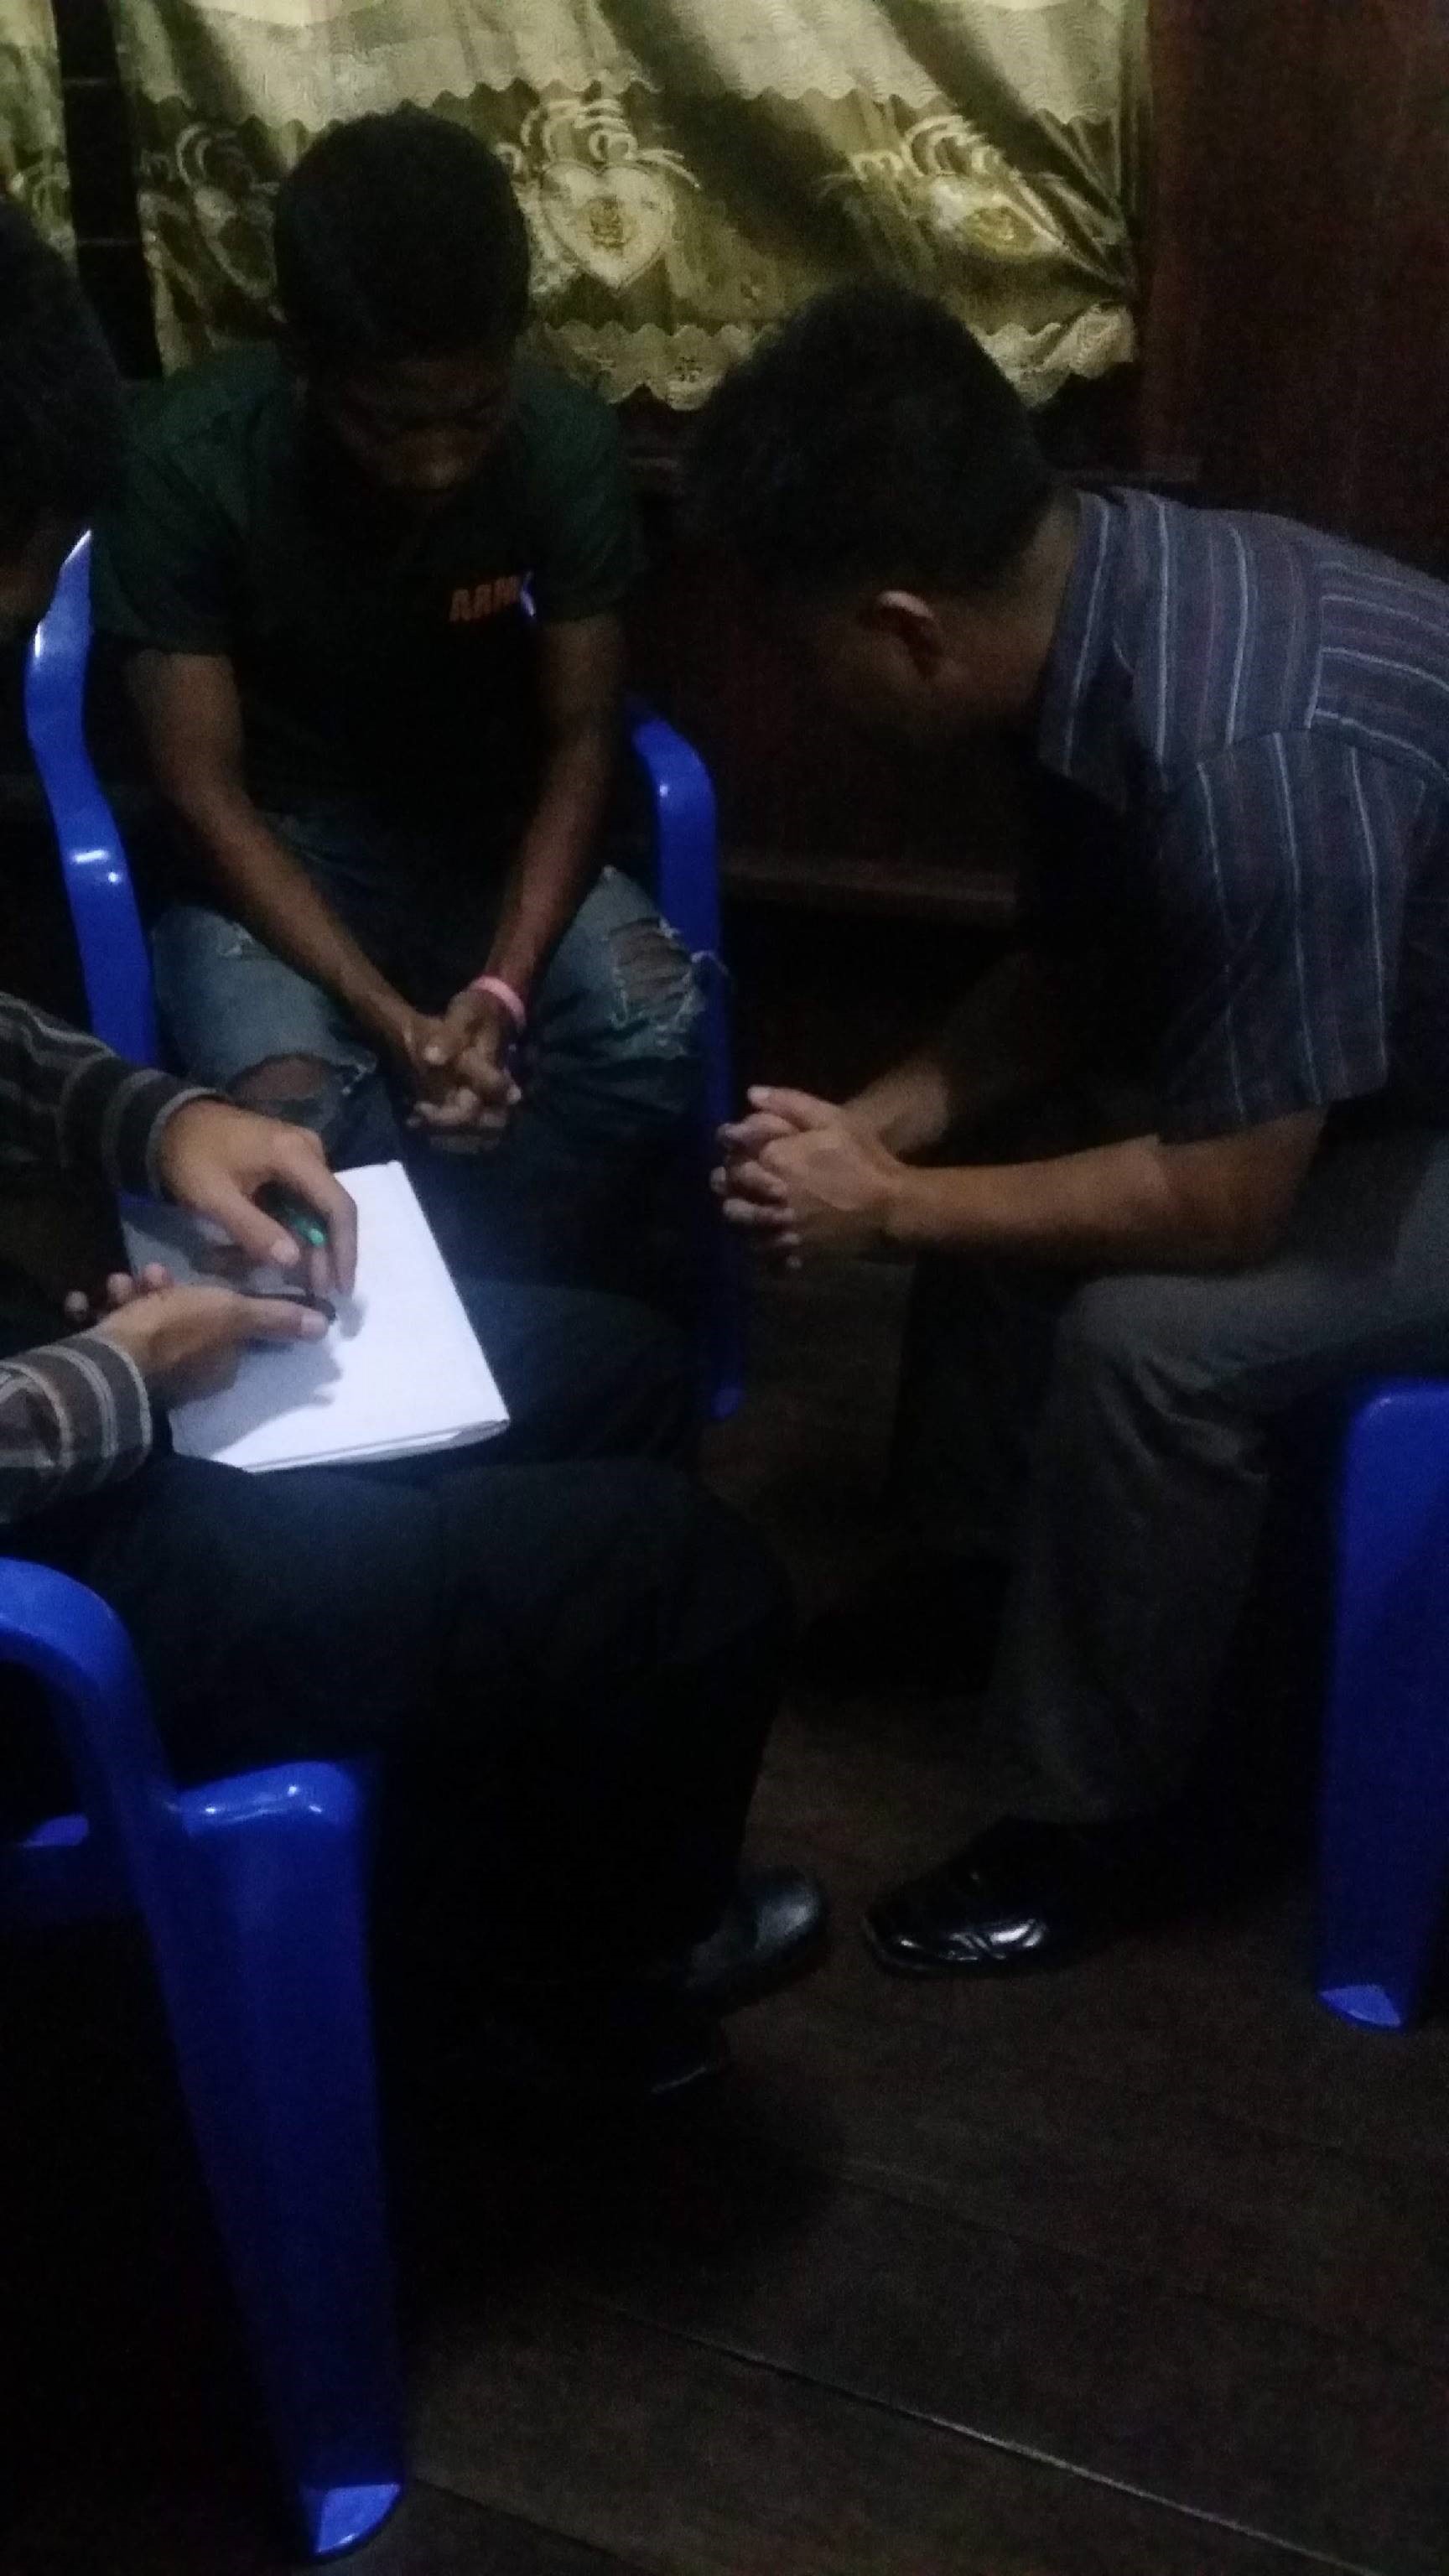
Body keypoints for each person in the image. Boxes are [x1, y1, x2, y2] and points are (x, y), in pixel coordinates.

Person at [0, 199, 823, 2093]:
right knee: (689, 1581)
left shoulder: (544, 467)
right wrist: (121, 1380)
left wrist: (162, 1114)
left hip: (58, 1398)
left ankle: (482, 1889)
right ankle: (575, 1992)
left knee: (617, 1371)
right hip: (44, 1580)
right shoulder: (222, 476)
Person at [688, 282, 1449, 1980]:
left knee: (1154, 1342)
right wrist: (884, 1130)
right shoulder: (1092, 611)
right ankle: (985, 1574)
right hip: (1383, 1051)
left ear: (904, 631)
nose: (811, 697)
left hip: (1416, 1099)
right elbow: (1082, 972)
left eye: (809, 657)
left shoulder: (1244, 743)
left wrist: (887, 1209)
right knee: (995, 1160)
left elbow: (1225, 1206)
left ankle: (1109, 1823)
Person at [90, 106, 702, 1283]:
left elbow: (582, 739)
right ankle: (443, 1302)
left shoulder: (562, 446)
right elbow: (205, 795)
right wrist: (393, 1017)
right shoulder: (190, 462)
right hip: (275, 858)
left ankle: (480, 1291)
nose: (436, 462)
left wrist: (500, 992)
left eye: (473, 415)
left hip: (481, 843)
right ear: (304, 365)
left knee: (652, 1028)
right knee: (295, 1103)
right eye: (389, 423)